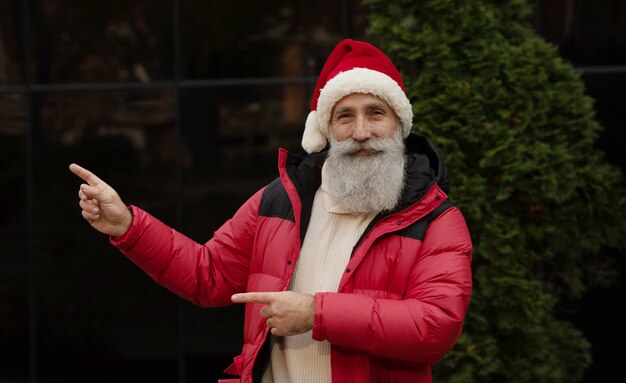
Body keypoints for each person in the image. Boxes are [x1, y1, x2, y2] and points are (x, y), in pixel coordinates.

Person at [70, 39, 472, 383]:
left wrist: (316, 313)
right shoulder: (279, 200)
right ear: (327, 129)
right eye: (345, 116)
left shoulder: (434, 218)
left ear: (399, 125)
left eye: (376, 113)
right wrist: (128, 225)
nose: (361, 131)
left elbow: (435, 327)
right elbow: (206, 276)